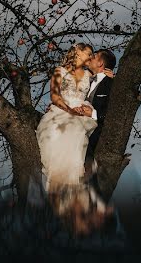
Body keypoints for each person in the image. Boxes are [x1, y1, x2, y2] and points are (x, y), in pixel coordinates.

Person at [36, 43, 114, 190]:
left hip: (82, 115)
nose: (91, 57)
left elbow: (101, 79)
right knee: (60, 143)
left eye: (93, 55)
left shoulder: (89, 75)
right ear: (78, 52)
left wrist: (113, 75)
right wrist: (69, 110)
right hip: (63, 111)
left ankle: (77, 188)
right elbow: (54, 97)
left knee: (78, 147)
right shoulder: (59, 71)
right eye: (89, 53)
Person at [80, 49, 116, 178]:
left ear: (100, 63)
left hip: (95, 132)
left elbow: (113, 112)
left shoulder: (112, 84)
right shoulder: (85, 80)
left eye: (94, 56)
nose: (90, 58)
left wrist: (93, 114)